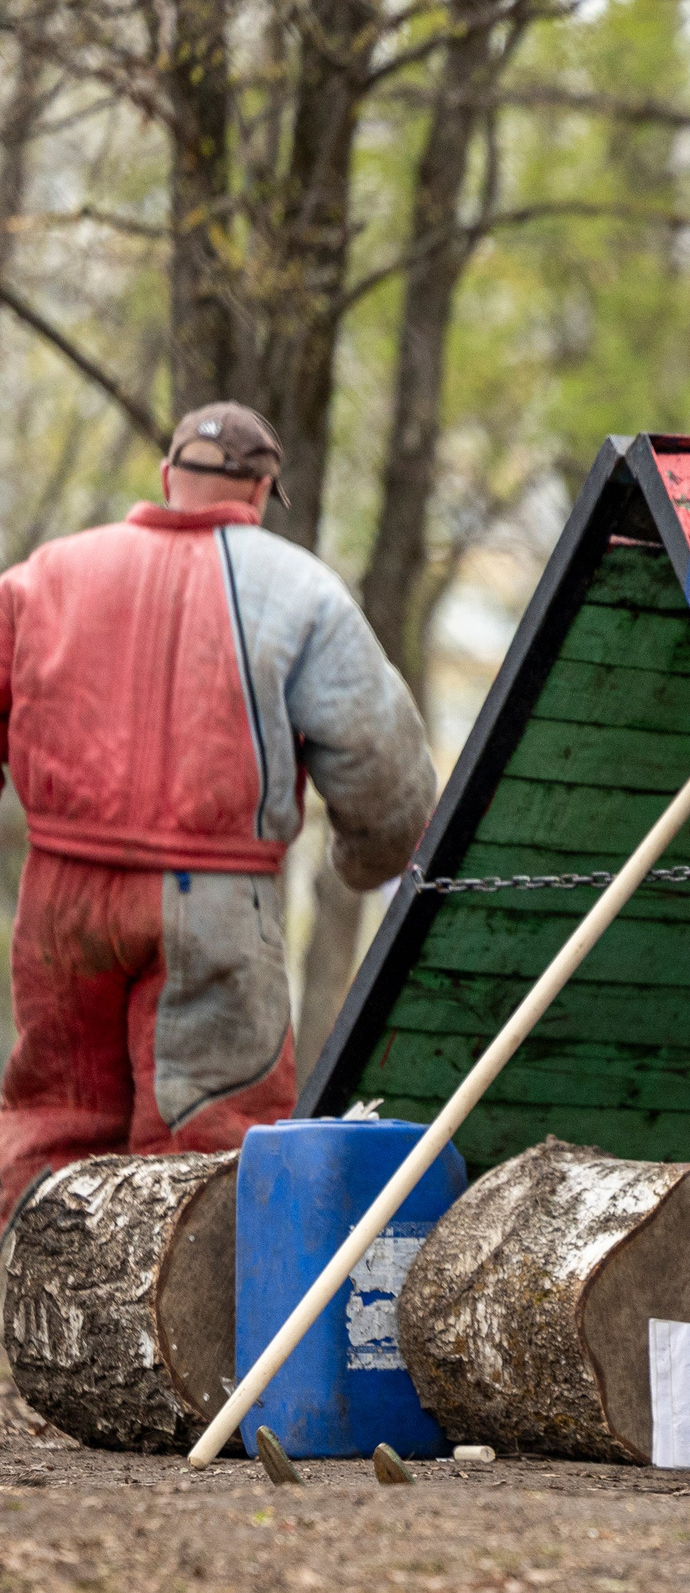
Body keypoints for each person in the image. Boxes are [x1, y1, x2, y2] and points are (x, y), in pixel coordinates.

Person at [0, 403, 437, 1223]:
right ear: (263, 489)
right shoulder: (299, 589)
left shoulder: (43, 575)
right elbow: (382, 763)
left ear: (168, 477)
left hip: (60, 894)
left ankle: (37, 1335)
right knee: (208, 1147)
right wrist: (369, 858)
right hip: (216, 905)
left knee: (51, 1131)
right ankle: (188, 1349)